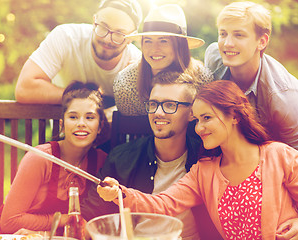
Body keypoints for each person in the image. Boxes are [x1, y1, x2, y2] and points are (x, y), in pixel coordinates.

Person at [97, 80, 298, 239]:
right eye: (198, 119)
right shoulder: (204, 171)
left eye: (207, 118)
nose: (199, 128)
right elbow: (163, 204)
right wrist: (119, 193)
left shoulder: (279, 155)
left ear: (235, 116)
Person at [82, 71, 222, 240]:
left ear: (192, 113)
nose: (158, 113)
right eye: (153, 104)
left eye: (170, 105)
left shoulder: (206, 159)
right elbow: (88, 217)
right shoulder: (122, 158)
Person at [0, 81, 109, 236]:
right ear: (62, 124)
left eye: (89, 117)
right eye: (73, 117)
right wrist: (66, 219)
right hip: (6, 234)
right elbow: (9, 222)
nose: (81, 124)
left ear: (100, 126)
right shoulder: (40, 158)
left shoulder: (102, 162)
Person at [15, 0, 143, 117]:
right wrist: (84, 96)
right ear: (94, 22)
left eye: (119, 34)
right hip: (66, 134)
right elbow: (24, 88)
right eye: (103, 27)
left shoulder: (136, 64)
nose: (107, 39)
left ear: (131, 38)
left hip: (112, 137)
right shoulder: (66, 37)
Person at [204, 1, 298, 150]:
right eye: (223, 34)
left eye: (239, 35)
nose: (227, 43)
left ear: (261, 42)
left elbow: (295, 158)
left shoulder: (284, 96)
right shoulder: (214, 57)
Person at [113, 3, 213, 116]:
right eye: (148, 41)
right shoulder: (126, 84)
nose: (154, 49)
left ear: (180, 46)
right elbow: (130, 130)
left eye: (163, 41)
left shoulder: (203, 80)